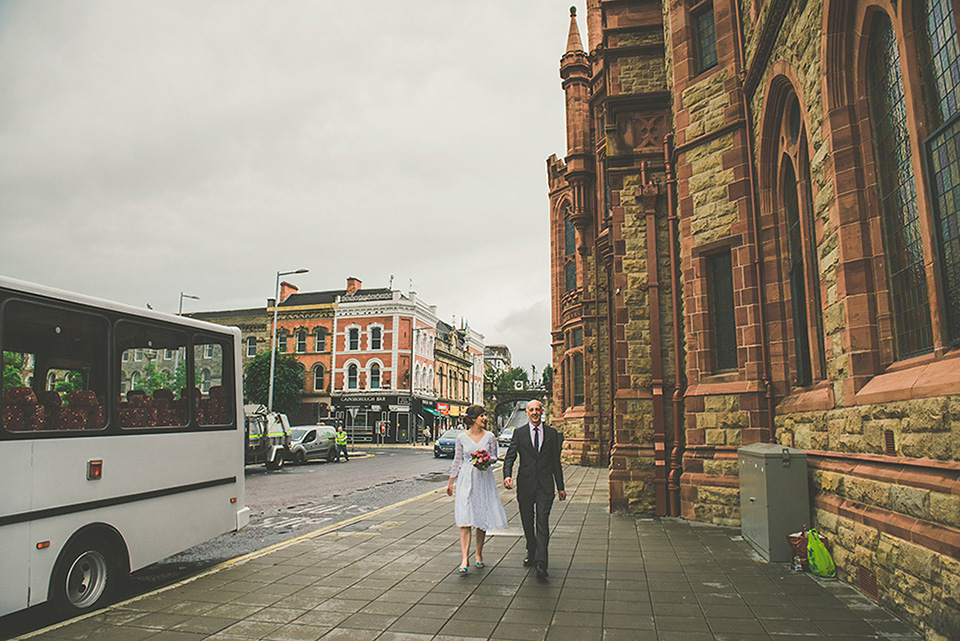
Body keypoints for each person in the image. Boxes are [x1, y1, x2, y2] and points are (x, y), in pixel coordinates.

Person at [503, 400, 565, 581]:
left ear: (542, 411)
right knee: (528, 522)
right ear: (527, 412)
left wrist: (560, 487)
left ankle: (541, 563)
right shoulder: (519, 433)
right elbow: (510, 457)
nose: (535, 413)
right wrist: (507, 475)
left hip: (545, 486)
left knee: (542, 523)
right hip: (526, 485)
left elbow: (556, 462)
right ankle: (531, 550)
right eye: (532, 410)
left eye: (538, 410)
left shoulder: (552, 434)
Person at [446, 404, 507, 575]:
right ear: (473, 418)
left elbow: (495, 457)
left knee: (481, 516)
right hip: (466, 478)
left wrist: (486, 459)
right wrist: (451, 482)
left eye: (485, 415)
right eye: (482, 415)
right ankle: (465, 558)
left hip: (483, 478)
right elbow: (457, 460)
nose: (485, 418)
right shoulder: (461, 438)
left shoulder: (490, 437)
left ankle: (478, 553)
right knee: (465, 517)